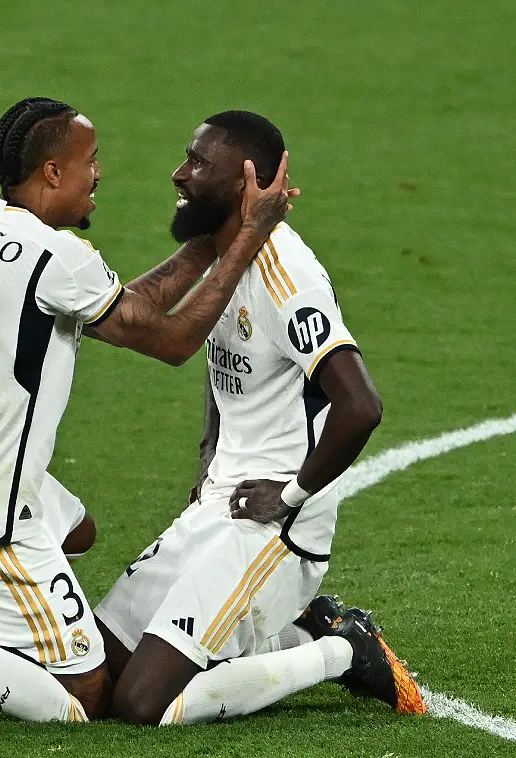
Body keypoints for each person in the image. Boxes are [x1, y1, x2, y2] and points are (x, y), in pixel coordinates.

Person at [0, 97, 295, 725]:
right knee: (85, 699)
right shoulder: (55, 257)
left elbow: (129, 303)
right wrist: (248, 237)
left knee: (74, 531)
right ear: (51, 172)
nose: (99, 174)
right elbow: (171, 339)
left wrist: (209, 242)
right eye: (89, 161)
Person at [93, 110, 427, 725]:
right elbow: (221, 366)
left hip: (270, 527)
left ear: (247, 179)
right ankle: (275, 632)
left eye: (198, 163)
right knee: (98, 670)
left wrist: (292, 497)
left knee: (143, 704)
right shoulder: (225, 258)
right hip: (220, 504)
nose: (179, 173)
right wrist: (207, 460)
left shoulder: (284, 276)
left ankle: (338, 651)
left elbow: (361, 406)